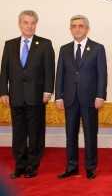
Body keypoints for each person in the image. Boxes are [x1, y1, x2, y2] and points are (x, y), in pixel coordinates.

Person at [0, 10, 55, 179]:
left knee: (35, 132)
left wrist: (48, 90)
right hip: (16, 96)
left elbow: (49, 70)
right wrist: (3, 91)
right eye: (26, 22)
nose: (29, 26)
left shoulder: (45, 44)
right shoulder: (10, 45)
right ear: (20, 24)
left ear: (35, 25)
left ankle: (32, 165)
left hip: (37, 96)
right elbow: (4, 71)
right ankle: (20, 165)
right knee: (19, 132)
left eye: (32, 23)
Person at [55, 15, 107, 180]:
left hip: (90, 99)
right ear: (70, 29)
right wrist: (58, 96)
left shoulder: (98, 48)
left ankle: (90, 167)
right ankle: (71, 167)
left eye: (80, 26)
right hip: (69, 99)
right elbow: (60, 74)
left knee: (90, 134)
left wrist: (100, 95)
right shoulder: (64, 49)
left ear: (87, 29)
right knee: (70, 134)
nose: (77, 29)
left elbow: (102, 75)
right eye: (74, 26)